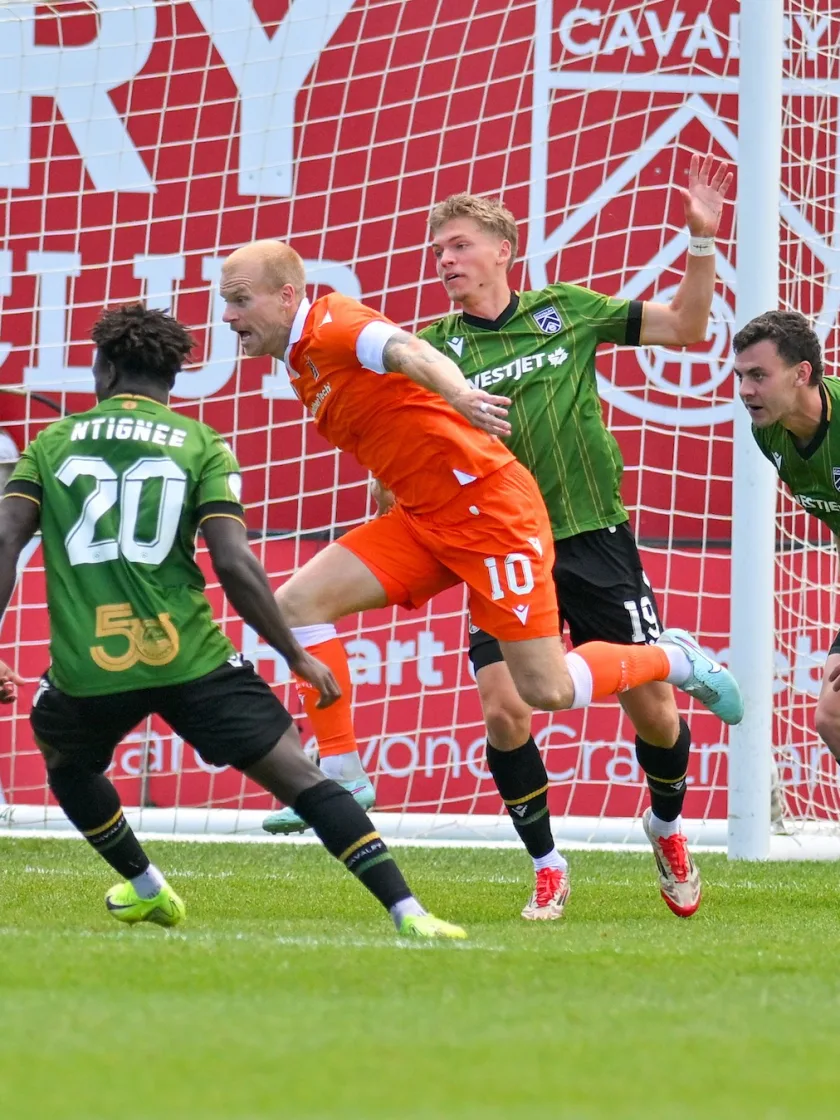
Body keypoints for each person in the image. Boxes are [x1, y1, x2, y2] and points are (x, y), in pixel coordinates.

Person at [275, 153, 735, 922]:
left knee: (655, 708)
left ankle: (666, 824)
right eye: (437, 251)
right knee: (507, 708)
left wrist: (698, 244)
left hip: (587, 533)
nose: (445, 261)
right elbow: (401, 444)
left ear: (502, 250)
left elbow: (689, 329)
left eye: (458, 245)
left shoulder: (566, 310)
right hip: (487, 540)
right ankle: (548, 865)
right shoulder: (430, 346)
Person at [0, 303, 466, 940]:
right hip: (189, 656)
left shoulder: (51, 445)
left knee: (67, 762)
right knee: (301, 776)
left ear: (104, 369)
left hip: (90, 666)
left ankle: (145, 886)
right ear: (173, 379)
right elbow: (234, 561)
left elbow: (5, 540)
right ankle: (410, 914)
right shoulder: (201, 445)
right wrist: (295, 655)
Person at [735, 309, 840, 754]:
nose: (745, 390)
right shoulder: (770, 432)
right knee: (833, 719)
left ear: (802, 373)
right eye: (740, 375)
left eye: (758, 375)